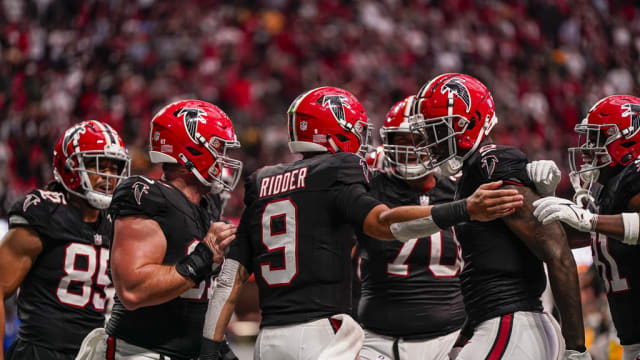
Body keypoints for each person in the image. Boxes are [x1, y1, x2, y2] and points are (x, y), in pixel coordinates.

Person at [199, 87, 526, 360]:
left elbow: (231, 274)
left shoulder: (261, 181)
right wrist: (464, 208)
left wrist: (210, 346)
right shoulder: (347, 172)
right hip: (331, 332)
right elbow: (384, 223)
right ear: (335, 131)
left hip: (269, 337)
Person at [409, 73, 589, 360]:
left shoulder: (490, 163)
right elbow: (487, 266)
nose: (429, 142)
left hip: (512, 326)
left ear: (464, 125)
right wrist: (463, 339)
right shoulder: (471, 174)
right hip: (502, 325)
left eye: (436, 131)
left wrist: (577, 348)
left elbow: (557, 251)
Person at [75, 100, 242, 360]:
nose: (223, 159)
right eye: (218, 147)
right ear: (191, 149)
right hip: (140, 353)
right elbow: (133, 289)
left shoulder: (205, 208)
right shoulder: (147, 195)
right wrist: (203, 258)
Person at [0, 120, 130, 360]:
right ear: (70, 167)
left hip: (94, 353)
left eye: (115, 167)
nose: (108, 176)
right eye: (97, 166)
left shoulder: (117, 222)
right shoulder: (47, 212)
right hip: (41, 352)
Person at [357, 96, 465, 360]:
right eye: (401, 141)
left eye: (419, 140)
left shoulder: (461, 187)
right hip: (376, 340)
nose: (411, 150)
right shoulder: (370, 187)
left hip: (451, 337)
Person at [533, 95, 640, 360]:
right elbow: (567, 237)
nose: (588, 149)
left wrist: (590, 220)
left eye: (598, 139)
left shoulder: (635, 175)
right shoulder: (611, 188)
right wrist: (542, 197)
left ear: (627, 140)